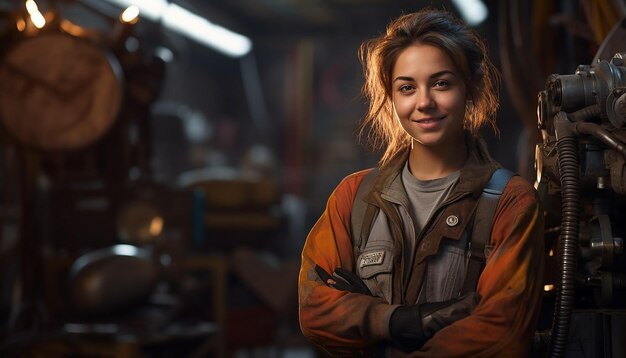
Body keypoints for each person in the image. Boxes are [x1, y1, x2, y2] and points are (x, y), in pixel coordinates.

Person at [297, 8, 545, 357]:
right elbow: (314, 309)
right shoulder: (354, 198)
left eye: (441, 83)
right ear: (391, 97)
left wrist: (364, 320)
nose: (424, 102)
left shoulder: (510, 203)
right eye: (407, 88)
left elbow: (500, 330)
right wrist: (396, 320)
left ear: (471, 88)